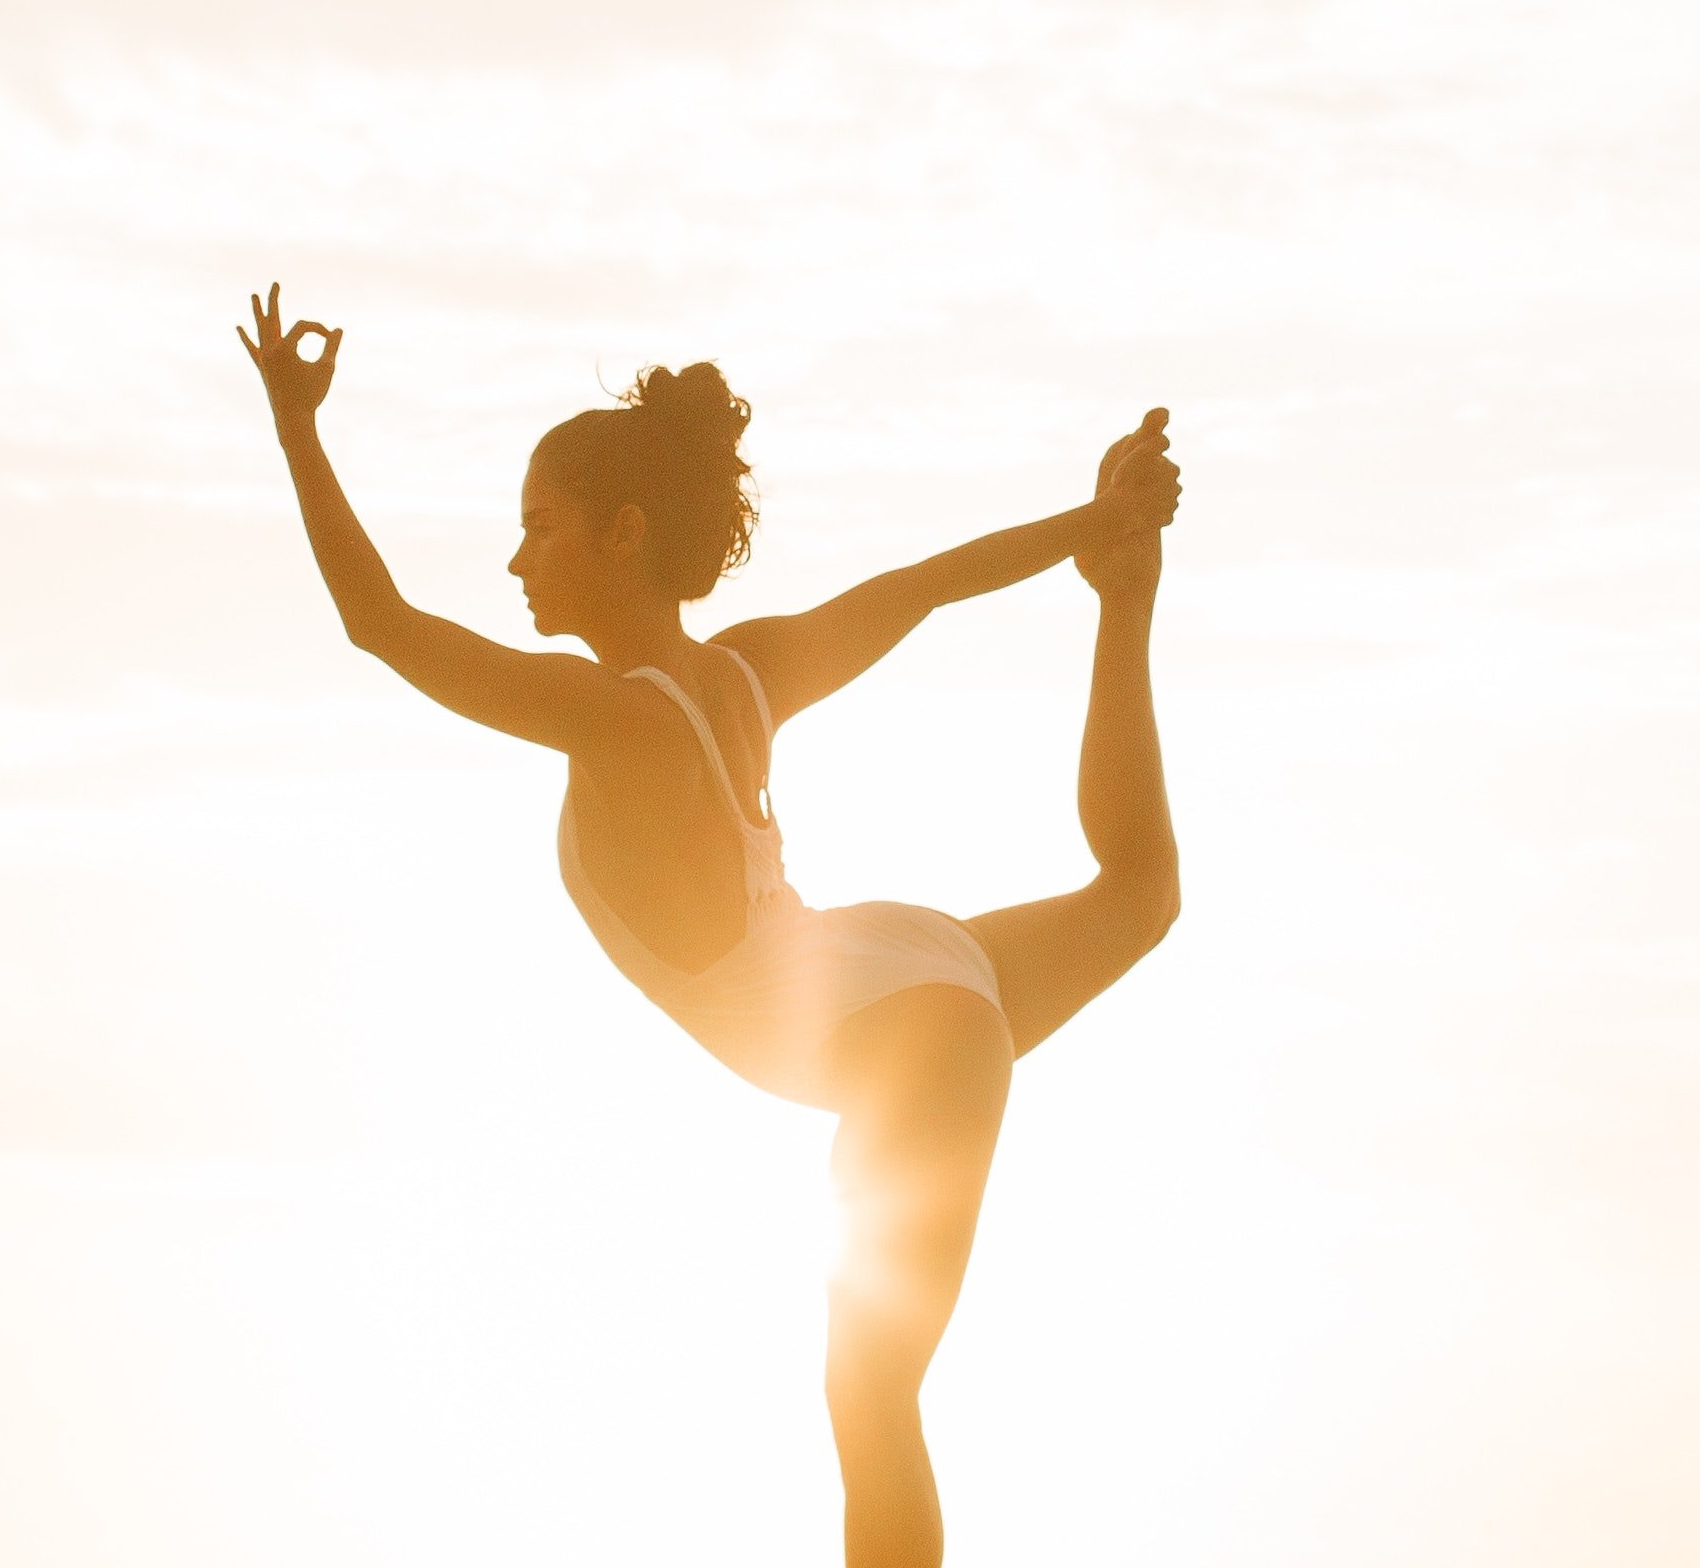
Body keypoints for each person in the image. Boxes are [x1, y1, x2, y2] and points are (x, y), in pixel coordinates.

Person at [241, 283, 1183, 1568]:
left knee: (868, 1395)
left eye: (538, 528)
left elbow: (381, 625)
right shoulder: (744, 669)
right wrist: (1102, 530)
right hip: (899, 965)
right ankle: (1126, 600)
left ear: (622, 534)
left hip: (896, 1020)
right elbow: (921, 586)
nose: (516, 560)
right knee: (1136, 899)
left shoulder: (617, 719)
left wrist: (297, 429)